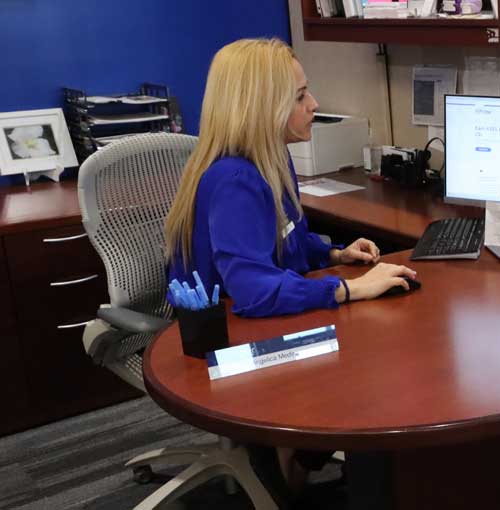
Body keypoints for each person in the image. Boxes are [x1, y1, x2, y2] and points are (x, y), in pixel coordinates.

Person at [163, 38, 416, 505]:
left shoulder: (272, 157)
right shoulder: (235, 179)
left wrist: (335, 256)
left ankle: (305, 461)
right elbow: (255, 291)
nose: (313, 104)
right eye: (300, 96)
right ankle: (295, 471)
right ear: (263, 106)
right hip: (228, 343)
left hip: (256, 321)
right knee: (368, 379)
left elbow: (288, 241)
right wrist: (348, 290)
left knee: (372, 353)